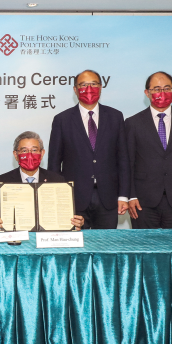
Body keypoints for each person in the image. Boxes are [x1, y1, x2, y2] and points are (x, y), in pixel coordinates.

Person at [48, 69, 130, 229]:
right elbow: (54, 164)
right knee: (77, 248)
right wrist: (57, 197)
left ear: (101, 87)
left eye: (93, 84)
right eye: (84, 85)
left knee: (106, 248)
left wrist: (123, 196)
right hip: (73, 199)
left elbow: (123, 160)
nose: (89, 89)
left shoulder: (115, 117)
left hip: (108, 197)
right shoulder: (62, 120)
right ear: (75, 89)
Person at [125, 71, 172, 229]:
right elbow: (128, 163)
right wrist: (130, 195)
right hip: (143, 201)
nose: (162, 93)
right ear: (147, 93)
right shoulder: (133, 123)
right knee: (145, 250)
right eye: (157, 89)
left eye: (167, 88)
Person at [0, 131, 84, 232]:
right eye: (24, 151)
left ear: (42, 153)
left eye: (34, 150)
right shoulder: (1, 182)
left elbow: (70, 213)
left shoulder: (57, 180)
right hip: (14, 241)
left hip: (48, 240)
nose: (30, 155)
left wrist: (77, 222)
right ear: (16, 154)